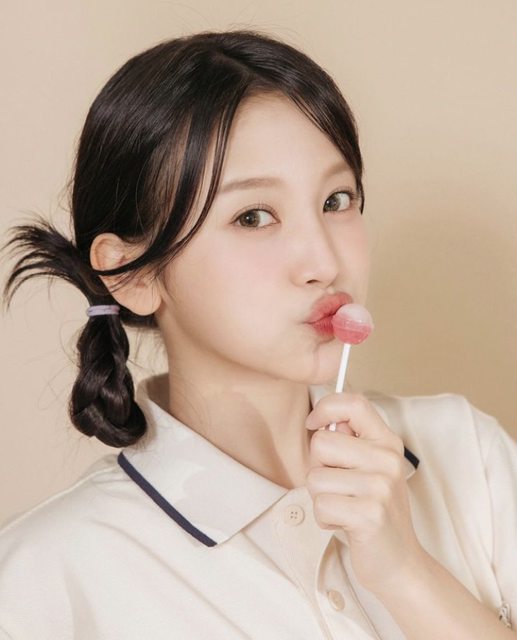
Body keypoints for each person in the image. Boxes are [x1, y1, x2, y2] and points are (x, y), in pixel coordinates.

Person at [0, 29, 515, 640]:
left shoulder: (467, 453)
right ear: (132, 274)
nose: (324, 261)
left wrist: (407, 574)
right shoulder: (45, 578)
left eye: (336, 200)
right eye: (253, 216)